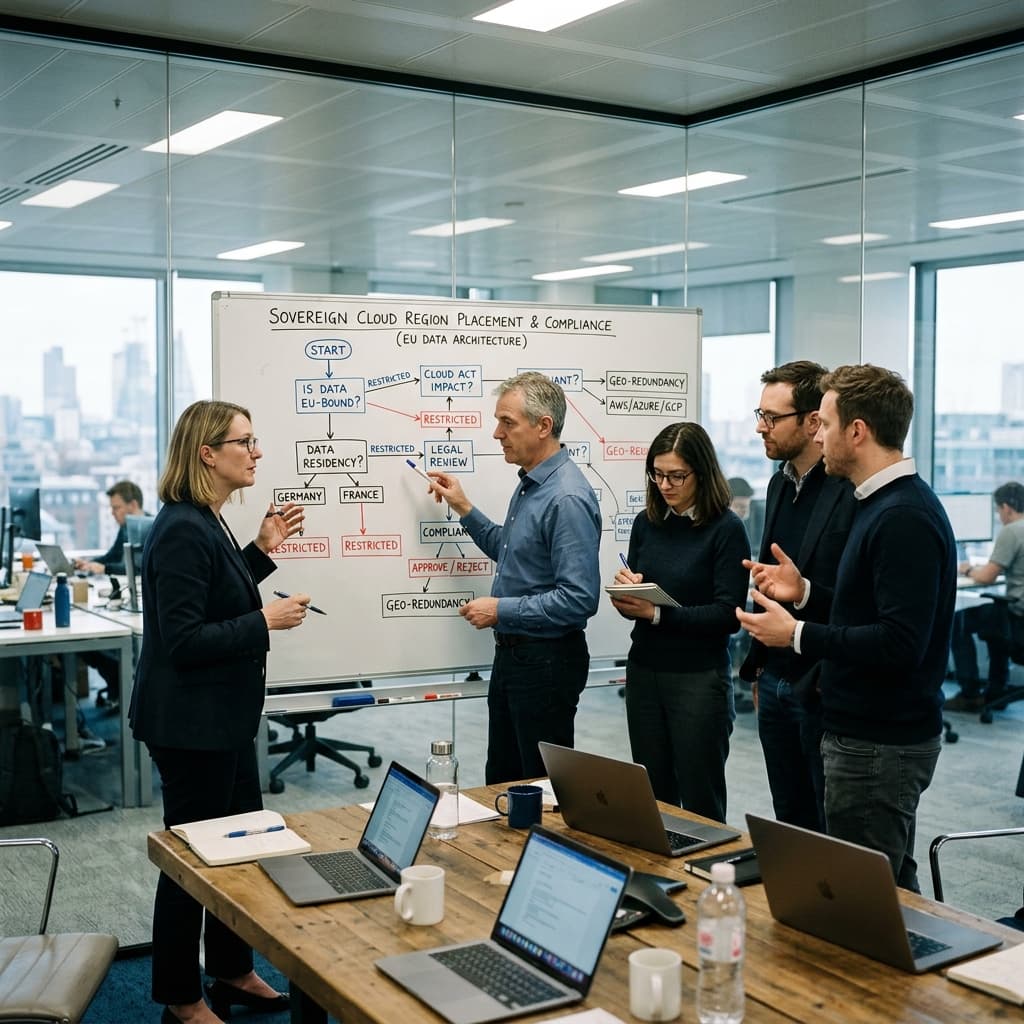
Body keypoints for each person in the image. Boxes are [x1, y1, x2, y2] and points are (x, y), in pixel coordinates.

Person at [737, 364, 956, 892]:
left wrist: (795, 634)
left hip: (879, 738)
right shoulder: (879, 504)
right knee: (879, 886)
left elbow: (899, 643)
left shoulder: (903, 515)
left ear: (857, 431)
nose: (818, 433)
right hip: (861, 728)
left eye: (827, 424)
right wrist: (807, 593)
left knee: (866, 896)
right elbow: (870, 613)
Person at [128, 400, 310, 1024]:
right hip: (191, 727)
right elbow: (184, 640)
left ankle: (230, 971)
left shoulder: (206, 519)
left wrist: (260, 550)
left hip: (221, 722)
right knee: (192, 862)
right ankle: (181, 998)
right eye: (245, 441)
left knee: (238, 848)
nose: (257, 452)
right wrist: (264, 621)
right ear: (208, 453)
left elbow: (214, 597)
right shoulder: (181, 525)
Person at [426, 371, 601, 786]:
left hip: (546, 661)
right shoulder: (532, 486)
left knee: (538, 790)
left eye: (508, 423)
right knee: (503, 781)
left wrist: (500, 609)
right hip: (516, 657)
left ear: (543, 426)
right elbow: (511, 550)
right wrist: (465, 507)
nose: (496, 434)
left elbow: (579, 599)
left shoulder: (566, 497)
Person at [738, 361, 857, 832]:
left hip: (821, 680)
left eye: (771, 418)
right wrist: (760, 666)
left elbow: (853, 599)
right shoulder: (777, 483)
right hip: (775, 677)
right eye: (759, 414)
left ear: (812, 422)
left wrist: (805, 596)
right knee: (790, 819)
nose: (759, 427)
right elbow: (770, 583)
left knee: (831, 828)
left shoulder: (848, 490)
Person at [610, 422, 749, 822]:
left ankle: (708, 883)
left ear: (701, 475)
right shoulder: (646, 522)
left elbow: (728, 616)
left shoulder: (726, 530)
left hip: (698, 680)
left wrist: (656, 613)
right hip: (645, 672)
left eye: (676, 476)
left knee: (700, 801)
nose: (665, 485)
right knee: (653, 798)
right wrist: (629, 593)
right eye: (657, 474)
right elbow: (643, 590)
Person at [947, 481, 1024, 710]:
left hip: (1018, 616)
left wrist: (967, 569)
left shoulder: (1012, 531)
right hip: (1019, 614)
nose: (999, 516)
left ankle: (970, 693)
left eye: (998, 511)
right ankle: (996, 689)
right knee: (992, 622)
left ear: (1007, 508)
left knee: (956, 623)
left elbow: (987, 577)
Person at [75, 479, 144, 575]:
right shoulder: (125, 528)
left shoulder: (148, 529)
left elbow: (138, 569)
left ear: (133, 505)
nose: (112, 513)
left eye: (116, 508)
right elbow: (113, 556)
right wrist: (89, 564)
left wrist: (105, 569)